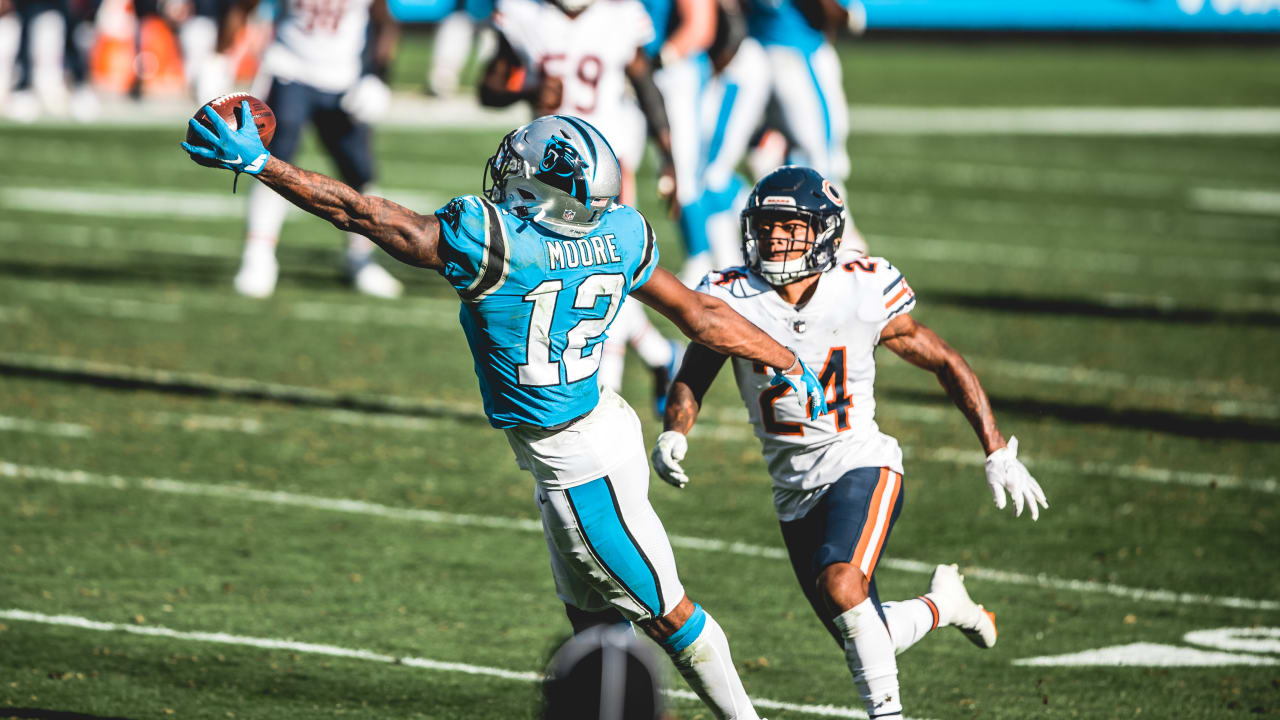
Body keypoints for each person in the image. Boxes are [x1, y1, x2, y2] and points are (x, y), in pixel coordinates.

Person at [183, 110, 831, 720]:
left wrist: (266, 163)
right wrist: (787, 359)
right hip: (605, 428)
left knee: (673, 619)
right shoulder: (622, 230)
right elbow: (703, 315)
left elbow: (359, 213)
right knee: (592, 624)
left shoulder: (494, 240)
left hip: (577, 468)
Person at [650, 166, 1049, 720]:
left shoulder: (861, 288)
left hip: (861, 461)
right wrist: (675, 430)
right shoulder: (733, 295)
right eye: (766, 227)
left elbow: (944, 359)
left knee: (842, 584)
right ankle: (942, 606)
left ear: (825, 232)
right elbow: (695, 370)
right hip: (792, 487)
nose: (774, 239)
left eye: (789, 228)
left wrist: (996, 447)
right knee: (863, 629)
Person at [479, 0, 684, 415]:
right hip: (541, 176)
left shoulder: (621, 17)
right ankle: (660, 356)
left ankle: (604, 395)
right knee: (566, 275)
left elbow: (645, 83)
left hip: (605, 172)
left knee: (604, 268)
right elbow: (488, 88)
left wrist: (668, 156)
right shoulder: (523, 14)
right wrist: (530, 89)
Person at [216, 0, 403, 298]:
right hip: (289, 70)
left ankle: (361, 257)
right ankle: (258, 255)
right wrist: (220, 58)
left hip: (345, 77)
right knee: (271, 163)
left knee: (359, 170)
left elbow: (384, 21)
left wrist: (379, 76)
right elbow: (243, 6)